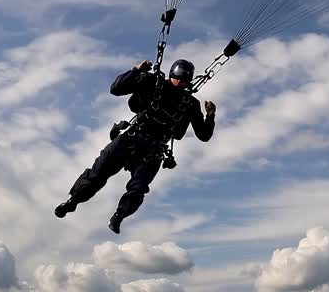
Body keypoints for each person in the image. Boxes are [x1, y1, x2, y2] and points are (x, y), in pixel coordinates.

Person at [54, 58, 215, 233]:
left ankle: (119, 216)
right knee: (97, 173)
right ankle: (72, 201)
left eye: (185, 81)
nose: (182, 84)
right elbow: (116, 89)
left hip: (153, 151)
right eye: (180, 79)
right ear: (173, 75)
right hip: (130, 139)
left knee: (138, 189)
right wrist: (136, 70)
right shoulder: (152, 81)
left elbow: (204, 135)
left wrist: (210, 116)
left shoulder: (190, 104)